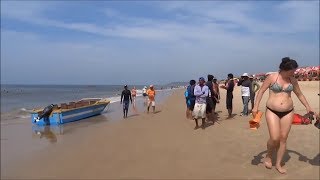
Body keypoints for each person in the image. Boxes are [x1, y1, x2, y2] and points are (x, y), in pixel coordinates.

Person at [252, 57, 314, 174]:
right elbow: (261, 91)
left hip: (288, 111)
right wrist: (256, 106)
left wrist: (308, 106)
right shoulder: (272, 77)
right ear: (285, 69)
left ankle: (278, 164)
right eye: (292, 71)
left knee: (283, 138)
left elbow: (299, 94)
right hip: (272, 110)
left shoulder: (293, 80)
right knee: (274, 138)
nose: (294, 73)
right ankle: (269, 156)